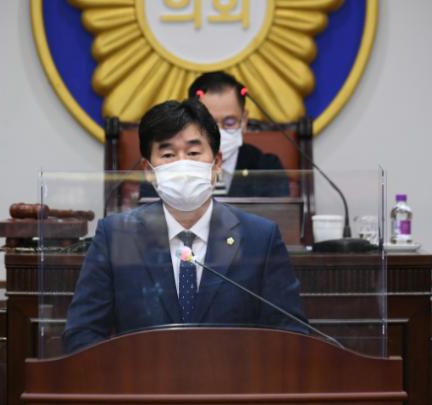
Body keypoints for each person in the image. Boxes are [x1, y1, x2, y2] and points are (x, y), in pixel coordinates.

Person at [63, 99, 307, 354]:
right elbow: (82, 333)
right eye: (168, 155)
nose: (182, 165)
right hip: (142, 377)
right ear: (148, 170)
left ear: (217, 163)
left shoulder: (260, 238)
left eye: (193, 153)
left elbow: (291, 334)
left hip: (232, 378)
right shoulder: (116, 236)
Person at [188, 71, 290, 197]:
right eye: (208, 122)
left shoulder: (266, 167)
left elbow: (279, 209)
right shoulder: (174, 167)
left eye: (230, 122)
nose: (218, 132)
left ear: (244, 121)